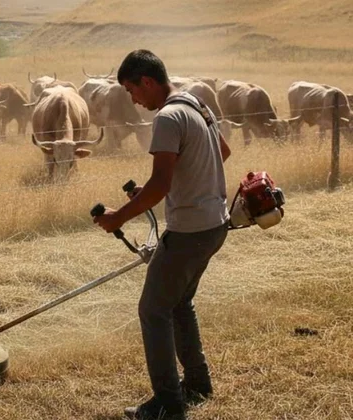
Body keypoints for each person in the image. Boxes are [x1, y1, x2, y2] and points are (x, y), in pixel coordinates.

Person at [93, 50, 232, 420]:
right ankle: (198, 383)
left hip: (189, 232)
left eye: (131, 91)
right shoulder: (196, 104)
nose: (133, 100)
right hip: (216, 224)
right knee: (179, 304)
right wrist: (174, 187)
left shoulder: (168, 117)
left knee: (153, 310)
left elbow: (160, 183)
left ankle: (168, 405)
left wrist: (118, 216)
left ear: (148, 82)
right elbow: (223, 151)